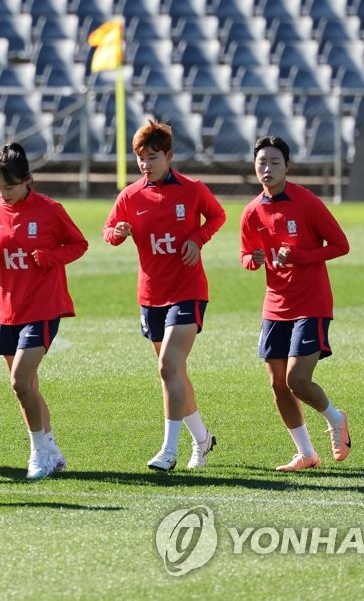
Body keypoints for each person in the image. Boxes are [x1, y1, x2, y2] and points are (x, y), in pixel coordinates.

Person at [103, 120, 226, 471]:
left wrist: (197, 239)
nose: (145, 164)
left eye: (152, 157)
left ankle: (169, 450)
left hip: (187, 291)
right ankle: (202, 439)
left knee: (168, 366)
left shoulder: (192, 189)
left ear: (169, 156)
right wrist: (118, 232)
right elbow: (108, 231)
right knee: (174, 373)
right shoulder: (130, 196)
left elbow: (217, 215)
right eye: (141, 158)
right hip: (151, 294)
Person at [0, 143, 88, 479]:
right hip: (7, 309)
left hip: (43, 306)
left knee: (20, 381)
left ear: (27, 181)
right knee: (28, 388)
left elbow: (78, 244)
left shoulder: (50, 210)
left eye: (9, 187)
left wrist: (50, 257)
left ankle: (37, 454)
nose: (2, 195)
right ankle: (52, 451)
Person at [240, 135, 351, 471]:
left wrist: (301, 256)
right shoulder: (252, 211)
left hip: (311, 303)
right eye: (262, 162)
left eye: (274, 162)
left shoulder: (306, 202)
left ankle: (335, 418)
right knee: (277, 385)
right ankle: (306, 453)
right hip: (275, 305)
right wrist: (254, 260)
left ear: (287, 166)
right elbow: (245, 255)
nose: (267, 168)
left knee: (296, 380)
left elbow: (340, 245)